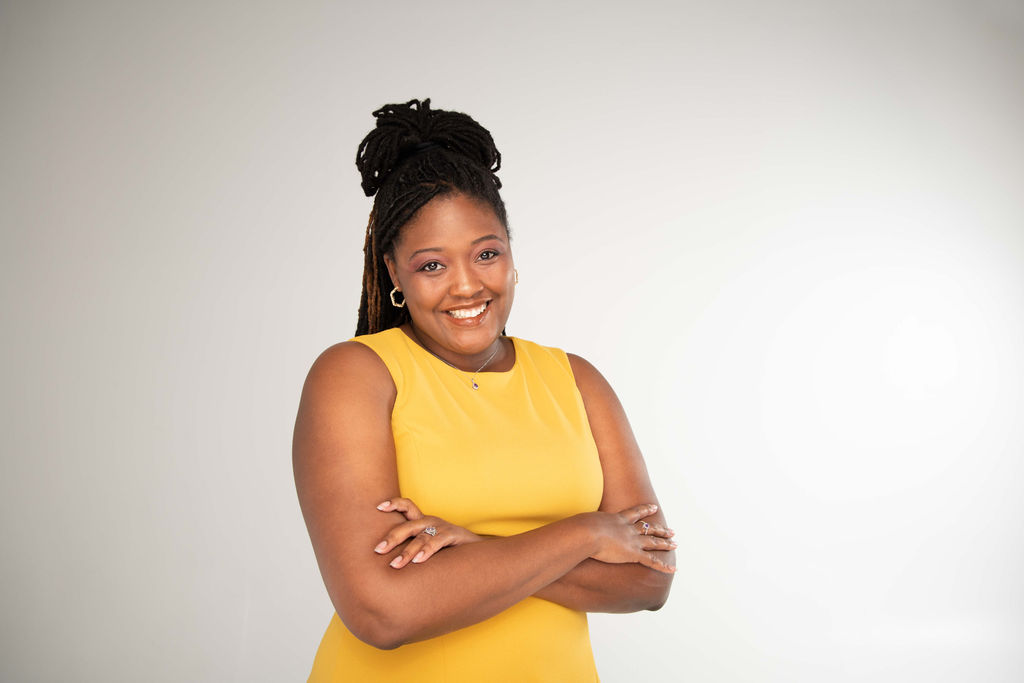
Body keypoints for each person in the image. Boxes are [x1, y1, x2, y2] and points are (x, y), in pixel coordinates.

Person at [293, 99, 676, 682]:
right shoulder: (356, 375)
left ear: (511, 255)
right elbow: (382, 611)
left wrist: (471, 549)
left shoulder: (576, 380)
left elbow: (651, 580)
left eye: (486, 254)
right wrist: (585, 533)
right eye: (431, 266)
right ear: (393, 273)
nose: (467, 285)